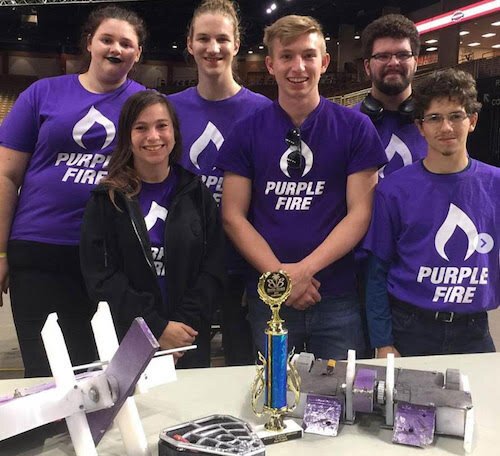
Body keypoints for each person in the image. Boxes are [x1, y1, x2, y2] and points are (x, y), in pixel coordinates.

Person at [216, 15, 387, 360]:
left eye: (308, 56)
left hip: (337, 294)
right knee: (275, 397)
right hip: (270, 296)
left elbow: (360, 213)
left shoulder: (356, 128)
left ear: (324, 62)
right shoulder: (246, 131)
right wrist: (281, 279)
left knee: (342, 401)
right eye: (287, 56)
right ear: (270, 64)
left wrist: (303, 271)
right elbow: (233, 216)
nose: (298, 66)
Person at [0, 5, 146, 377]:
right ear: (90, 43)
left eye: (126, 43)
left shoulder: (144, 105)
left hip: (109, 256)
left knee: (104, 373)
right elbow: (6, 176)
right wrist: (0, 252)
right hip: (39, 251)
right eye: (107, 39)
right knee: (47, 372)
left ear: (138, 53)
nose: (116, 48)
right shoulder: (42, 93)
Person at [80, 90, 225, 368]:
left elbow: (214, 267)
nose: (153, 137)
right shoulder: (108, 199)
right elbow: (102, 277)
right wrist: (156, 327)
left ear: (174, 132)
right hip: (130, 338)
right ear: (127, 136)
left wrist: (182, 326)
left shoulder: (197, 193)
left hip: (188, 336)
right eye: (141, 128)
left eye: (162, 126)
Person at [364, 68, 499, 358]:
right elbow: (376, 272)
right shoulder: (394, 190)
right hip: (410, 328)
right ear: (420, 127)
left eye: (456, 116)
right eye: (435, 118)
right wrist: (382, 341)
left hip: (474, 331)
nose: (446, 127)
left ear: (472, 121)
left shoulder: (495, 184)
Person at [169, 0, 271, 365]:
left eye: (222, 39)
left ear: (237, 44)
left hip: (245, 263)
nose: (213, 48)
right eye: (204, 39)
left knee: (245, 365)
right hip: (187, 265)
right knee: (187, 371)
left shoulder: (263, 111)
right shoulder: (168, 109)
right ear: (190, 43)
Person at [355, 14, 427, 177]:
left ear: (415, 63)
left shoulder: (438, 123)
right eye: (383, 56)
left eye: (402, 55)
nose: (394, 62)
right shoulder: (346, 123)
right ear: (367, 66)